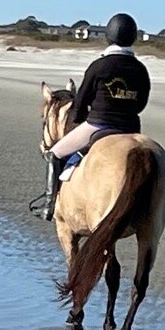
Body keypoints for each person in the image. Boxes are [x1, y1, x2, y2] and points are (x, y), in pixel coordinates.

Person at [45, 12, 151, 215]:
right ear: (133, 37)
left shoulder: (99, 66)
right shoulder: (140, 69)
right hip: (130, 128)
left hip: (99, 124)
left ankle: (49, 205)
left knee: (54, 154)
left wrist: (77, 119)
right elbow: (141, 104)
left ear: (108, 36)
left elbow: (81, 102)